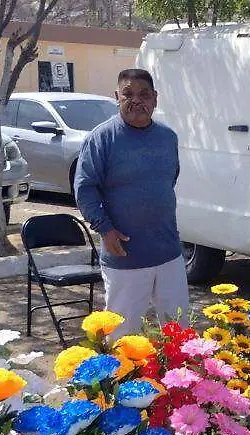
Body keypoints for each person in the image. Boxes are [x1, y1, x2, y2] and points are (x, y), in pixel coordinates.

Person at [74, 68, 189, 336]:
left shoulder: (167, 137)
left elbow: (168, 181)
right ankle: (119, 380)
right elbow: (85, 188)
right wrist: (104, 228)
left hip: (168, 253)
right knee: (121, 335)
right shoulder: (102, 138)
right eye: (128, 94)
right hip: (124, 255)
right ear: (117, 96)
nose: (136, 100)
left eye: (144, 94)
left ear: (155, 98)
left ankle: (177, 379)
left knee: (180, 332)